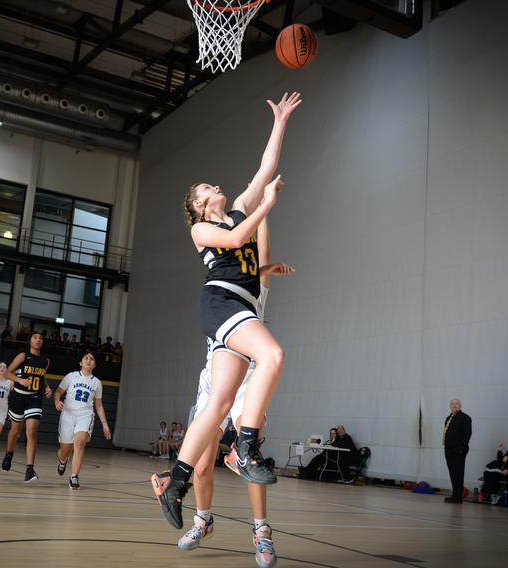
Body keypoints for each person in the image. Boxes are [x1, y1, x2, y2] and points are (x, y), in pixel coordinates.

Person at [152, 92, 301, 531]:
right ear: (198, 205)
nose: (213, 187)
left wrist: (280, 121)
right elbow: (236, 243)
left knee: (216, 405)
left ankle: (175, 482)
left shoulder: (236, 209)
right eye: (204, 189)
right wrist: (268, 205)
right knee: (272, 356)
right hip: (222, 304)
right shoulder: (202, 228)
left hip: (235, 306)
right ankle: (247, 447)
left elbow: (264, 169)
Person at [177, 215, 295, 568]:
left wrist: (263, 211)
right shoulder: (221, 283)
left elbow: (263, 251)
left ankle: (261, 531)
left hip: (247, 378)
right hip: (214, 376)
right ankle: (203, 520)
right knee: (201, 464)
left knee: (251, 458)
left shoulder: (255, 285)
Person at [54, 351, 111, 490]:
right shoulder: (71, 376)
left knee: (79, 443)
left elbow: (98, 404)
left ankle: (74, 477)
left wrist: (105, 424)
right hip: (68, 414)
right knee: (64, 450)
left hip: (85, 415)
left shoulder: (97, 383)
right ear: (81, 362)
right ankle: (63, 460)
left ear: (94, 364)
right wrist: (57, 401)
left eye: (92, 359)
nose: (89, 360)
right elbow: (58, 391)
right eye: (86, 358)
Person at [1, 332, 52, 483]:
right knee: (16, 431)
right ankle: (9, 454)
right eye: (35, 337)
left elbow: (41, 377)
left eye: (40, 338)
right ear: (30, 340)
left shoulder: (45, 360)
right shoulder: (23, 356)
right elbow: (7, 373)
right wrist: (19, 380)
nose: (38, 340)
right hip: (18, 396)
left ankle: (29, 469)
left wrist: (47, 387)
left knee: (31, 431)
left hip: (35, 398)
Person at [442, 399, 472, 503]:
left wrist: (462, 449)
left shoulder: (465, 418)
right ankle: (455, 495)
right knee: (452, 473)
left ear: (460, 406)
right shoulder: (448, 418)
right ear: (450, 406)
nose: (454, 406)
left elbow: (467, 435)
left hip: (458, 450)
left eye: (456, 404)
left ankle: (458, 497)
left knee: (458, 473)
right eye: (452, 404)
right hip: (448, 449)